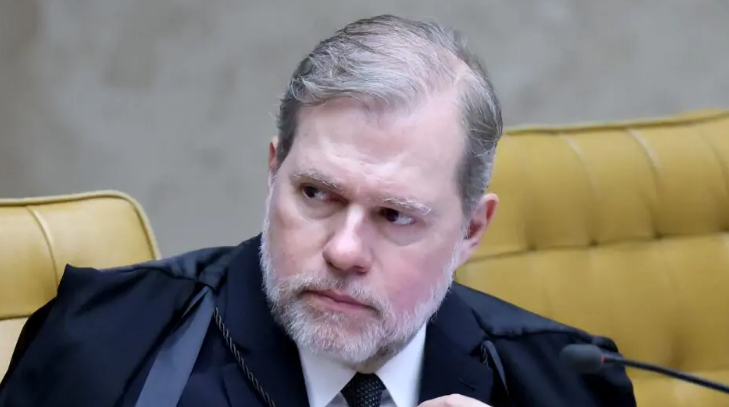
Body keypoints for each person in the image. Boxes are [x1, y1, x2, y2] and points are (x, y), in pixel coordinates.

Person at [0, 14, 636, 407]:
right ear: (274, 170)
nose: (344, 250)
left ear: (472, 229)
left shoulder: (571, 380)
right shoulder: (102, 344)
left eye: (395, 215)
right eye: (316, 194)